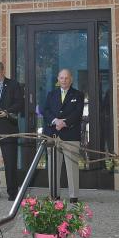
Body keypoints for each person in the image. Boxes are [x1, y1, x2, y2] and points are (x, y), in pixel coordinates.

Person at [0, 61, 25, 202]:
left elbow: (20, 103)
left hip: (8, 127)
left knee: (10, 162)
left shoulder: (14, 85)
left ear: (3, 71)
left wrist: (7, 112)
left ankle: (13, 192)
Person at [42, 68, 84, 203]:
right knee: (53, 167)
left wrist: (64, 123)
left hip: (70, 135)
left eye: (66, 78)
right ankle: (54, 194)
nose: (64, 80)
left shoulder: (78, 95)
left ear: (71, 79)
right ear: (58, 80)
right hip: (52, 135)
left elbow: (77, 113)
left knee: (72, 167)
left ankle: (73, 196)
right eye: (61, 78)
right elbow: (46, 111)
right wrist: (55, 121)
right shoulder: (51, 94)